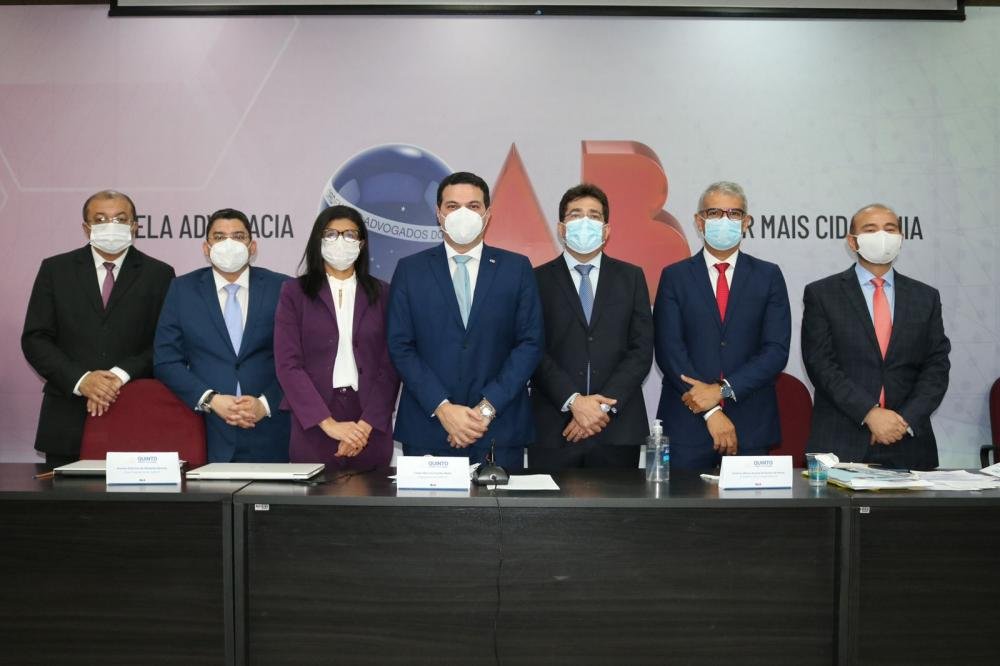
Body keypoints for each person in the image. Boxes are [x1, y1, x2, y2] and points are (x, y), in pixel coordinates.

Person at [387, 171, 543, 470]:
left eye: (472, 206)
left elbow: (530, 343)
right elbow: (400, 346)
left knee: (502, 505)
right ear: (439, 214)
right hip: (429, 429)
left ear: (487, 214)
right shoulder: (410, 270)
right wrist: (443, 409)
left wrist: (486, 409)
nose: (462, 214)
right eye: (452, 206)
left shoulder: (516, 268)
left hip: (498, 429)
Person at [21, 190, 175, 469]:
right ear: (86, 227)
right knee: (64, 498)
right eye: (101, 219)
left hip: (134, 411)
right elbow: (36, 339)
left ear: (135, 226)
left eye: (120, 219)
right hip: (67, 418)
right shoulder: (55, 269)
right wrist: (82, 380)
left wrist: (118, 375)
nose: (111, 226)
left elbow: (165, 343)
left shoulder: (160, 274)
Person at [653, 181, 791, 470]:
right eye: (714, 213)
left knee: (750, 503)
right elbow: (669, 350)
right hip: (686, 424)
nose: (724, 220)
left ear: (746, 222)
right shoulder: (675, 276)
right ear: (699, 221)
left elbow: (775, 351)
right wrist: (711, 411)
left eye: (734, 214)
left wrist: (723, 390)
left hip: (750, 424)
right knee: (682, 502)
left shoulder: (768, 276)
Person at [802, 203, 950, 470]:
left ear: (900, 238)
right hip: (841, 440)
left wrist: (903, 421)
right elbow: (821, 365)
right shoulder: (822, 294)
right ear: (852, 241)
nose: (882, 236)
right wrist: (870, 414)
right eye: (870, 230)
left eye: (890, 229)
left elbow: (936, 367)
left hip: (909, 441)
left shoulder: (925, 297)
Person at [529, 184, 653, 471]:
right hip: (554, 428)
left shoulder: (631, 277)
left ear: (606, 230)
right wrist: (574, 402)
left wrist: (600, 408)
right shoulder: (535, 280)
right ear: (561, 228)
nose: (585, 222)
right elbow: (532, 349)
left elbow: (641, 350)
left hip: (617, 429)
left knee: (620, 503)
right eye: (575, 215)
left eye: (594, 216)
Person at [154, 208, 290, 462]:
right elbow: (166, 360)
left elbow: (298, 360)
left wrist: (265, 404)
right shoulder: (182, 290)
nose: (229, 244)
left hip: (271, 429)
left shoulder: (283, 287)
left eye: (238, 236)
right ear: (206, 248)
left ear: (252, 246)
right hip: (206, 428)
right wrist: (210, 400)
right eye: (219, 237)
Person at [274, 205, 400, 469]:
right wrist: (329, 424)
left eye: (350, 235)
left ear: (362, 244)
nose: (340, 241)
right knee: (316, 495)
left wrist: (364, 427)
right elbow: (288, 364)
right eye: (331, 234)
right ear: (318, 240)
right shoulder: (294, 293)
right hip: (314, 420)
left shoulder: (383, 293)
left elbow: (391, 364)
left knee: (372, 494)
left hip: (369, 422)